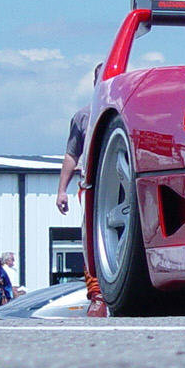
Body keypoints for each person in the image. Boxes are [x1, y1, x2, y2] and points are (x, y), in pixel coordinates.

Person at [57, 102, 107, 316]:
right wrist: (61, 190)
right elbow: (71, 154)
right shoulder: (83, 116)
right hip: (91, 186)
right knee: (92, 239)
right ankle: (97, 296)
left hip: (128, 183)